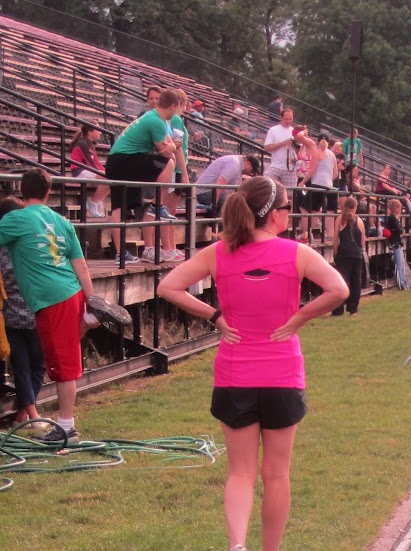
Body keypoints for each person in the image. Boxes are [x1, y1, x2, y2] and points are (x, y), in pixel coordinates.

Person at [157, 176, 348, 551]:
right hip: (282, 375)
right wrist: (298, 319)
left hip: (235, 375)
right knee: (276, 473)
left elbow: (167, 286)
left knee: (240, 472)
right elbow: (340, 289)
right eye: (288, 207)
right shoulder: (297, 253)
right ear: (276, 213)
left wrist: (214, 317)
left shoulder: (219, 252)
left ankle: (237, 549)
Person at [0, 168, 95, 441]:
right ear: (48, 192)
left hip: (52, 299)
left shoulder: (17, 219)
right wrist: (92, 301)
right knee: (63, 359)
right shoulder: (62, 221)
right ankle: (89, 320)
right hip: (72, 291)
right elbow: (81, 265)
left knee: (63, 366)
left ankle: (66, 427)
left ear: (21, 190)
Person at [104, 88, 185, 263]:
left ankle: (120, 254)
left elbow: (166, 146)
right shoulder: (156, 120)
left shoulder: (153, 117)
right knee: (168, 164)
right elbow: (166, 152)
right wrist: (171, 148)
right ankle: (157, 205)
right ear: (173, 106)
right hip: (124, 160)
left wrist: (169, 147)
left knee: (118, 206)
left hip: (116, 161)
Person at [0, 196, 46, 422]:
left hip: (9, 316)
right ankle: (28, 414)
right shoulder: (29, 245)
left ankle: (24, 413)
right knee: (38, 365)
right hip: (34, 314)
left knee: (21, 367)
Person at [331, 195, 367, 315]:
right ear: (355, 207)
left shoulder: (339, 219)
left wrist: (335, 252)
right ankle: (353, 309)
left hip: (343, 254)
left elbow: (336, 239)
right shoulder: (360, 221)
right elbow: (362, 241)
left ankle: (338, 309)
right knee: (356, 281)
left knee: (341, 281)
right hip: (356, 254)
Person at [195, 153, 255, 220]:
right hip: (204, 192)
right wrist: (214, 203)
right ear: (248, 164)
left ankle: (220, 225)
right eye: (251, 170)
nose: (250, 173)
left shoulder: (237, 165)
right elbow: (221, 182)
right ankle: (223, 227)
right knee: (228, 201)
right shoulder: (234, 164)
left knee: (235, 200)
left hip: (209, 191)